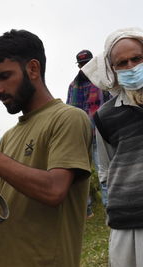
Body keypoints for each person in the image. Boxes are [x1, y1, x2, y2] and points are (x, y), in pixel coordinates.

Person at [0, 29, 92, 267]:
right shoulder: (10, 136)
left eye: (3, 77)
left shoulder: (68, 118)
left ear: (33, 69)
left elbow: (54, 191)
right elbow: (0, 218)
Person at [82, 27, 143, 267]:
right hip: (126, 222)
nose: (131, 67)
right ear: (112, 70)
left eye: (137, 59)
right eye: (122, 63)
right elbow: (106, 168)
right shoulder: (105, 116)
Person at [66, 49, 111, 217]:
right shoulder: (73, 86)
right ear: (79, 66)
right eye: (82, 64)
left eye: (87, 63)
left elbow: (109, 107)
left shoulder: (102, 83)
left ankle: (109, 210)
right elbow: (69, 111)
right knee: (81, 175)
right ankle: (86, 210)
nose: (85, 66)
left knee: (104, 173)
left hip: (101, 134)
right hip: (81, 136)